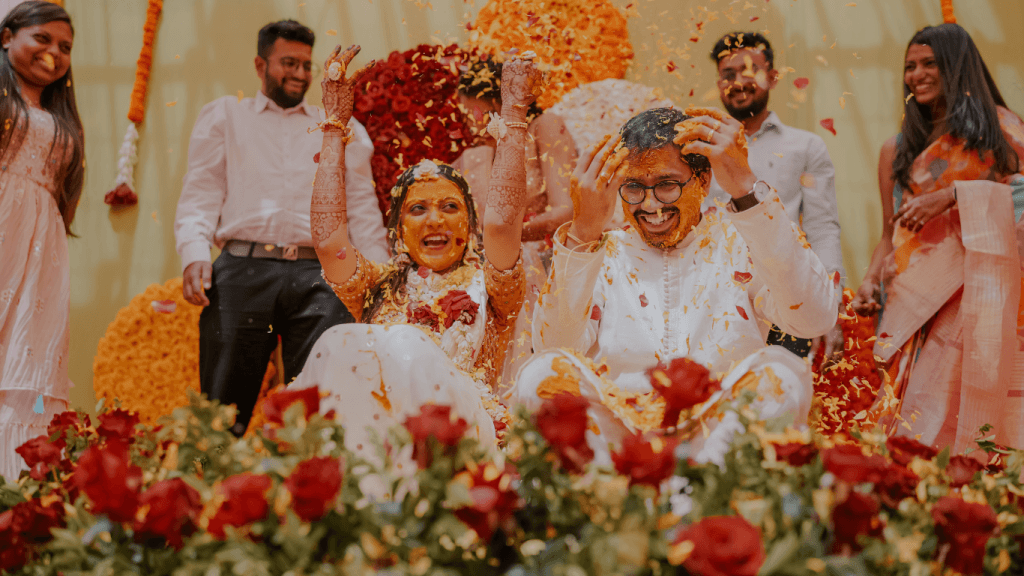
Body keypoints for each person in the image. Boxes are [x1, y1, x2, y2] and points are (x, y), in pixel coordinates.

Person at [514, 106, 841, 463]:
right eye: (634, 188)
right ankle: (605, 502)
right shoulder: (605, 251)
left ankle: (711, 494)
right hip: (622, 439)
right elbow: (553, 348)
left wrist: (747, 191)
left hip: (719, 437)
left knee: (782, 373)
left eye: (667, 185)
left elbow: (814, 319)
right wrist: (582, 231)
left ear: (701, 181)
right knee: (539, 376)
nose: (651, 205)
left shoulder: (741, 239)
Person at [289, 46, 540, 463]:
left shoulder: (495, 287)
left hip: (462, 436)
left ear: (470, 225)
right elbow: (329, 243)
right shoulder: (378, 286)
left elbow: (501, 225)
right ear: (399, 230)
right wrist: (333, 127)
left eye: (450, 207)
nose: (435, 221)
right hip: (379, 435)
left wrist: (513, 114)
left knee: (399, 340)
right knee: (337, 340)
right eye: (417, 209)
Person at [173, 20, 388, 436]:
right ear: (260, 64)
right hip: (242, 270)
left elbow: (362, 208)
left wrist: (378, 279)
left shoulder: (341, 128)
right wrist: (195, 255)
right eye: (288, 62)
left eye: (307, 65)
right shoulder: (225, 116)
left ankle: (313, 491)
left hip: (321, 276)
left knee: (321, 404)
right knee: (222, 409)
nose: (301, 74)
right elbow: (200, 193)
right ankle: (216, 493)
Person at [851, 23, 1024, 453]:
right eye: (909, 66)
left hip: (981, 306)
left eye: (930, 63)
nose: (917, 74)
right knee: (907, 433)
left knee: (974, 428)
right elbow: (890, 233)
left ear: (956, 67)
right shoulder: (896, 149)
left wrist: (954, 196)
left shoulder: (1002, 133)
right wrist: (871, 280)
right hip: (909, 309)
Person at [703, 31, 844, 358]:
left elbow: (822, 228)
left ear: (774, 76)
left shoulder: (806, 147)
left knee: (781, 400)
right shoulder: (701, 147)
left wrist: (829, 304)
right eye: (728, 75)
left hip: (785, 297)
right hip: (714, 300)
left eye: (750, 71)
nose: (739, 81)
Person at [453, 56, 577, 380]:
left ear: (497, 100)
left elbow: (566, 210)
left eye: (473, 112)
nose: (468, 123)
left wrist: (507, 235)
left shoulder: (546, 127)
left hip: (543, 262)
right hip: (487, 268)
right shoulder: (473, 156)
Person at [0, 0, 83, 480]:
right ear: (7, 36)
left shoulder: (60, 117)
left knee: (29, 352)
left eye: (65, 46)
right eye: (43, 39)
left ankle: (17, 483)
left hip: (42, 251)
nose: (54, 52)